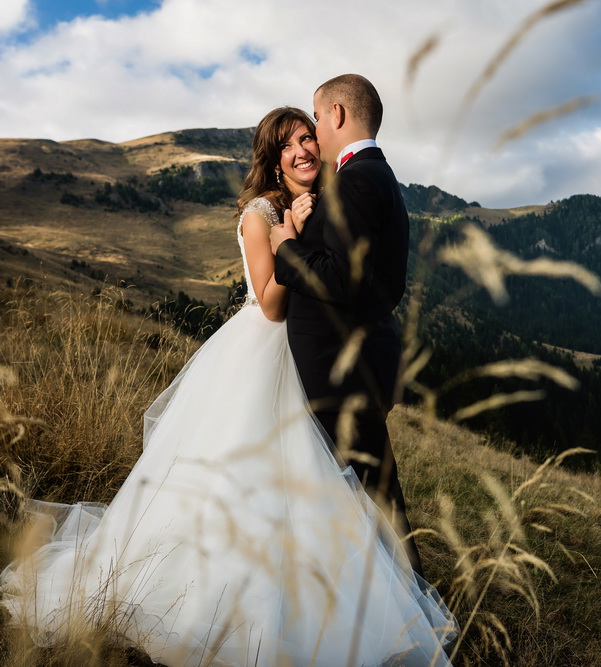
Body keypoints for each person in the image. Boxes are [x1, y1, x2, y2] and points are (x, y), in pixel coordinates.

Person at [0, 107, 455, 666]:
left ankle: (312, 592)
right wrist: (293, 236)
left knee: (309, 486)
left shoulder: (320, 202)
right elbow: (268, 301)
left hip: (307, 357)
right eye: (288, 146)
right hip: (262, 355)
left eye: (308, 137)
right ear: (273, 159)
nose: (303, 151)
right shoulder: (260, 215)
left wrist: (307, 230)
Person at [269, 75, 421, 576]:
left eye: (315, 118)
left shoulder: (355, 180)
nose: (314, 130)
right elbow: (377, 284)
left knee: (374, 496)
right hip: (356, 364)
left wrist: (286, 246)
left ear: (336, 114)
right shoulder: (374, 176)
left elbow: (338, 279)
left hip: (340, 371)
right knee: (365, 491)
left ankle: (413, 607)